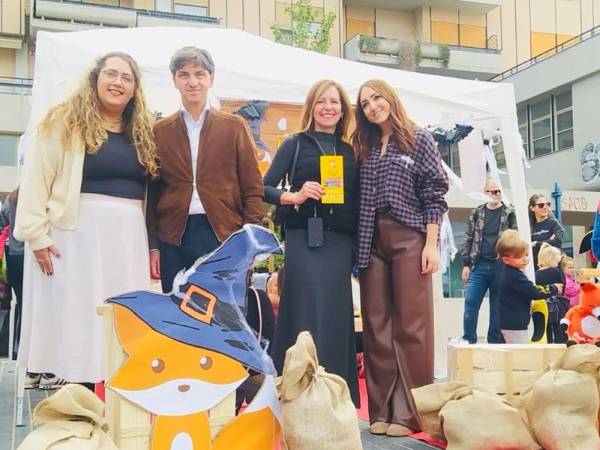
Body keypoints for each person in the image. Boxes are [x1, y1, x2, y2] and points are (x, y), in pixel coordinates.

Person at [14, 52, 158, 386]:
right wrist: (36, 236)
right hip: (75, 236)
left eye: (126, 77)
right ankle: (79, 404)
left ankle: (117, 406)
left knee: (122, 319)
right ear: (95, 79)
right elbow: (37, 178)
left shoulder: (144, 130)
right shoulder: (64, 120)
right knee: (79, 320)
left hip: (127, 239)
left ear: (135, 89)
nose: (117, 83)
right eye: (111, 74)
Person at [352, 79, 448, 437]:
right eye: (364, 103)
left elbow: (435, 191)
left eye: (377, 97)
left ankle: (410, 413)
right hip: (370, 240)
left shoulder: (419, 138)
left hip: (409, 236)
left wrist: (431, 243)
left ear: (390, 97)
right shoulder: (363, 145)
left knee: (411, 325)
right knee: (376, 327)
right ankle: (380, 409)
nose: (373, 106)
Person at [263, 79, 359, 406]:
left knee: (335, 314)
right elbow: (263, 187)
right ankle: (292, 388)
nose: (328, 107)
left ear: (343, 109)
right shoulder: (295, 144)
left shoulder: (350, 151)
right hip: (304, 238)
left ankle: (333, 394)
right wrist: (294, 196)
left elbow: (359, 202)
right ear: (312, 107)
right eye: (321, 101)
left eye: (334, 102)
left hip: (340, 243)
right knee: (303, 309)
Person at [146, 47, 264, 293]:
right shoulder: (159, 131)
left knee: (224, 316)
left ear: (211, 79)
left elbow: (252, 189)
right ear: (174, 80)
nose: (192, 82)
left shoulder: (234, 127)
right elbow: (153, 192)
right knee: (179, 315)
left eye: (199, 74)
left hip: (223, 233)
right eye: (184, 74)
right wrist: (153, 245)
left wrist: (249, 240)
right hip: (173, 236)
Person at [459, 179, 516, 344]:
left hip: (501, 265)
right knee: (470, 303)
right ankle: (468, 340)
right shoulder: (477, 212)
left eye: (499, 191)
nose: (497, 194)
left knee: (497, 307)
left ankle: (495, 343)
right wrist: (466, 265)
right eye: (493, 191)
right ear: (485, 194)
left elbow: (515, 238)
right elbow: (468, 238)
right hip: (479, 264)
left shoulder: (509, 212)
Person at [495, 230, 562, 344]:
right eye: (519, 257)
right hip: (514, 323)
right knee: (520, 354)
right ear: (506, 260)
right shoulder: (514, 275)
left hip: (509, 321)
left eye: (526, 255)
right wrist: (553, 288)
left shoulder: (507, 271)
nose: (525, 259)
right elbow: (533, 291)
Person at [0, 188, 24, 360]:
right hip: (32, 257)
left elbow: (2, 222)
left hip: (13, 256)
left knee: (22, 304)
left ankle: (17, 349)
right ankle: (21, 351)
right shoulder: (37, 193)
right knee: (30, 308)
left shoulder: (12, 198)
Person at [535, 243, 568, 343]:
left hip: (543, 303)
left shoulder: (537, 273)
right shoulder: (556, 271)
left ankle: (548, 345)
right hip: (558, 304)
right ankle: (560, 345)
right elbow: (563, 285)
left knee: (546, 328)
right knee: (559, 328)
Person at [529, 193, 563, 270]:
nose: (545, 207)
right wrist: (548, 241)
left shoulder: (554, 223)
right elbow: (526, 246)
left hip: (553, 269)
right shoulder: (529, 227)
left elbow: (557, 241)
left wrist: (535, 243)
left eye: (548, 204)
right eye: (541, 205)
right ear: (532, 208)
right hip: (534, 269)